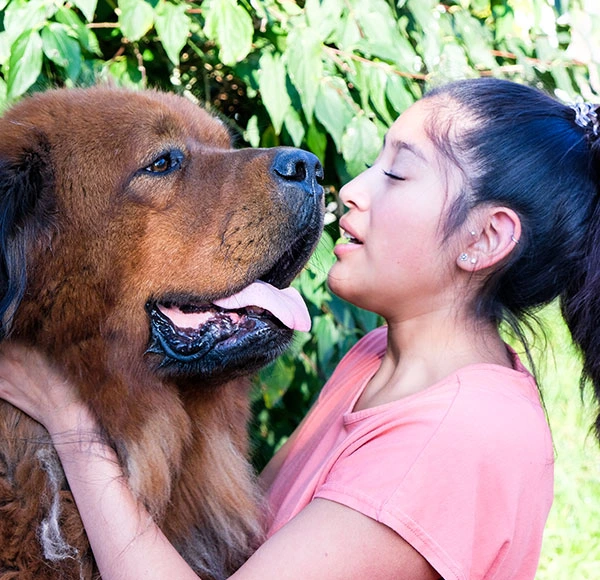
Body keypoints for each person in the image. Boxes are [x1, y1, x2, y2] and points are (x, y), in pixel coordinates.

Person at [1, 76, 600, 580]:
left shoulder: (458, 437)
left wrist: (67, 418)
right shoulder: (377, 360)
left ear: (484, 238)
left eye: (397, 175)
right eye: (165, 164)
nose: (349, 188)